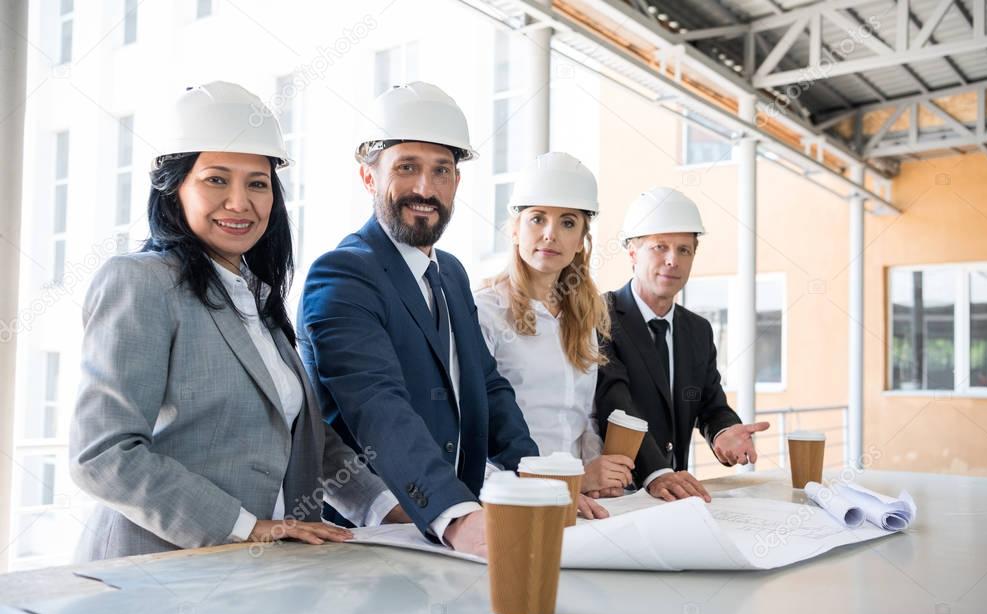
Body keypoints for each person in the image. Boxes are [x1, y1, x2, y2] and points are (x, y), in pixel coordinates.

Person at [69, 82, 397, 562]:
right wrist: (247, 527)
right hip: (155, 570)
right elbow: (103, 454)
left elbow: (307, 439)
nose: (240, 202)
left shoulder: (256, 294)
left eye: (257, 183)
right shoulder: (140, 283)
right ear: (174, 188)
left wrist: (391, 511)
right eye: (216, 179)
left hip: (253, 575)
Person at [299, 82, 540, 557]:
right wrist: (453, 514)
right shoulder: (344, 273)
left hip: (450, 528)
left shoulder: (448, 271)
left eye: (441, 171)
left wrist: (540, 479)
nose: (425, 189)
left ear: (456, 182)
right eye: (406, 168)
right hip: (371, 538)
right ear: (369, 178)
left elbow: (487, 387)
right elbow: (377, 405)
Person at [595, 187, 770, 502]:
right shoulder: (600, 316)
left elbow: (710, 404)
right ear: (632, 253)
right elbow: (616, 403)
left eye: (684, 250)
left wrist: (723, 431)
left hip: (675, 495)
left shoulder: (697, 330)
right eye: (659, 247)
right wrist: (657, 473)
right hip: (617, 496)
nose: (672, 260)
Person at [474, 152, 627, 509]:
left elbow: (583, 416)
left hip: (577, 500)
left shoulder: (585, 317)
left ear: (581, 240)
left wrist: (594, 475)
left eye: (568, 223)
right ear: (514, 228)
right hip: (512, 502)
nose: (550, 234)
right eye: (537, 219)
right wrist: (554, 485)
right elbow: (471, 430)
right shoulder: (484, 312)